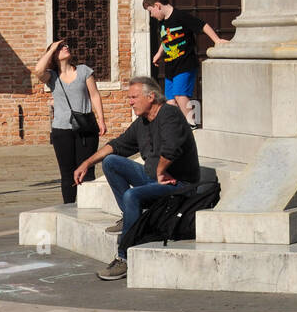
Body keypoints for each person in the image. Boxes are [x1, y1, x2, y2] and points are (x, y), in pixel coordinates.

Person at [73, 75, 201, 281]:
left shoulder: (170, 114)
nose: (130, 102)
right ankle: (130, 217)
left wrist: (160, 171)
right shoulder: (143, 121)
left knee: (132, 195)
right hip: (154, 179)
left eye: (133, 97)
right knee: (111, 161)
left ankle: (124, 257)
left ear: (151, 97)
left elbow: (172, 148)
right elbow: (118, 144)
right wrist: (87, 163)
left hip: (178, 185)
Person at [33, 39, 106, 204]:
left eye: (66, 45)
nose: (65, 47)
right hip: (61, 130)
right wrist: (51, 49)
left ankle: (89, 206)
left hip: (86, 128)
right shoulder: (51, 76)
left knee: (87, 171)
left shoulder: (83, 71)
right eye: (60, 47)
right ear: (54, 55)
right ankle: (70, 207)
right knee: (67, 174)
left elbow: (94, 95)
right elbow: (37, 70)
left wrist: (101, 119)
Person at [144, 0, 229, 124]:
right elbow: (166, 39)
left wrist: (217, 40)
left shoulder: (180, 16)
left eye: (150, 11)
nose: (152, 15)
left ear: (157, 6)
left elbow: (203, 25)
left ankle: (192, 125)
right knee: (171, 101)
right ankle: (176, 129)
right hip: (170, 67)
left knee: (180, 95)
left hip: (185, 64)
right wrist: (159, 54)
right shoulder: (162, 22)